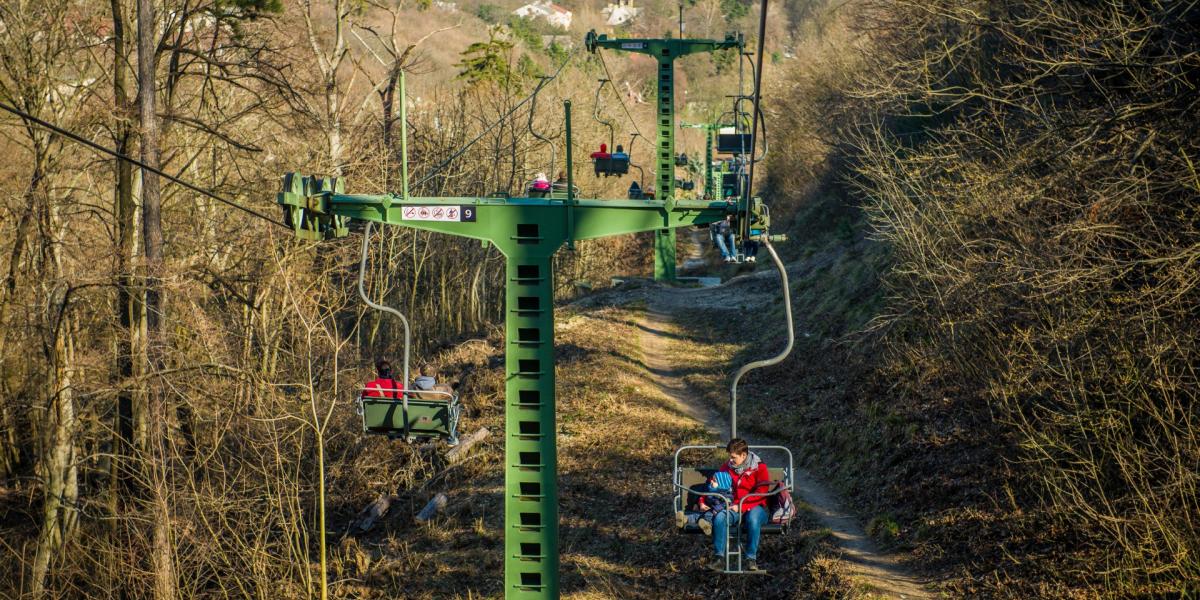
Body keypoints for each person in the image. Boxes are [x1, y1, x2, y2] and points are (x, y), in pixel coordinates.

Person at [709, 438, 770, 572]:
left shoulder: (759, 468)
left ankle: (751, 558)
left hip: (755, 506)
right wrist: (714, 487)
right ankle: (719, 558)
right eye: (729, 457)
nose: (730, 460)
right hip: (734, 506)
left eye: (733, 457)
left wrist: (741, 506)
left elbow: (762, 493)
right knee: (719, 518)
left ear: (743, 455)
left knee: (753, 519)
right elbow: (718, 486)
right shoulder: (727, 467)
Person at [676, 471, 732, 535]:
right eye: (712, 480)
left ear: (722, 484)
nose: (711, 481)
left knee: (709, 517)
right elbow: (703, 497)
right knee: (697, 515)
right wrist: (700, 503)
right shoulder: (710, 491)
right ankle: (684, 518)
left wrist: (715, 509)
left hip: (715, 514)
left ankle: (707, 526)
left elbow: (726, 504)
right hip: (706, 511)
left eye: (714, 481)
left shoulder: (727, 496)